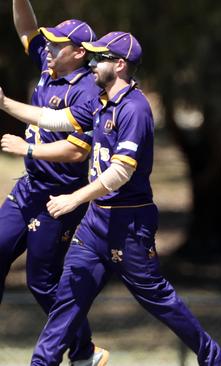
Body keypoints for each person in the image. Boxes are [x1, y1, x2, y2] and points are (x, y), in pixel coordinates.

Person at [0, 31, 221, 366]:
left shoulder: (135, 110)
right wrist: (6, 103)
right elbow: (56, 119)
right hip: (95, 222)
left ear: (120, 65)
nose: (92, 64)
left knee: (158, 299)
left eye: (99, 58)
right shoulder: (99, 101)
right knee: (68, 297)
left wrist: (75, 198)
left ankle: (215, 360)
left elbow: (119, 173)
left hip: (129, 223)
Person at [0, 1, 107, 364]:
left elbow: (77, 152)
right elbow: (26, 29)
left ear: (78, 53)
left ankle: (85, 351)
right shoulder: (49, 66)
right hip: (28, 188)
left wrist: (27, 149)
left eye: (57, 44)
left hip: (59, 198)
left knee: (41, 282)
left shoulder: (88, 91)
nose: (48, 48)